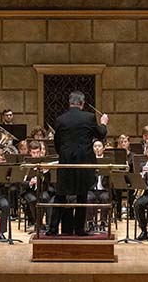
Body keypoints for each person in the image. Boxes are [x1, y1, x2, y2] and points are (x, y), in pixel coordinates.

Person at [47, 91, 108, 236]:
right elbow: (100, 134)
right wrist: (104, 123)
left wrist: (64, 155)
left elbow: (57, 143)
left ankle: (53, 229)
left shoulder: (61, 119)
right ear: (82, 103)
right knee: (82, 195)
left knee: (61, 195)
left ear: (70, 103)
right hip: (84, 162)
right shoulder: (89, 117)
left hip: (66, 162)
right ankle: (79, 229)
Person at [21, 140, 52, 228]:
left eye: (38, 152)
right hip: (28, 190)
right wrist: (30, 182)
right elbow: (21, 182)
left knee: (45, 198)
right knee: (33, 200)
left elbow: (48, 182)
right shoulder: (25, 164)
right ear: (30, 152)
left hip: (42, 189)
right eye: (34, 152)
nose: (36, 155)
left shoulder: (44, 163)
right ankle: (37, 223)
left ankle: (47, 224)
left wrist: (46, 173)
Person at [87, 139, 110, 232]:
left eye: (99, 146)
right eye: (95, 146)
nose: (97, 148)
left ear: (103, 148)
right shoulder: (89, 160)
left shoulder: (108, 160)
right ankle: (90, 222)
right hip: (92, 189)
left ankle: (103, 222)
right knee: (88, 198)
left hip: (104, 189)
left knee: (105, 198)